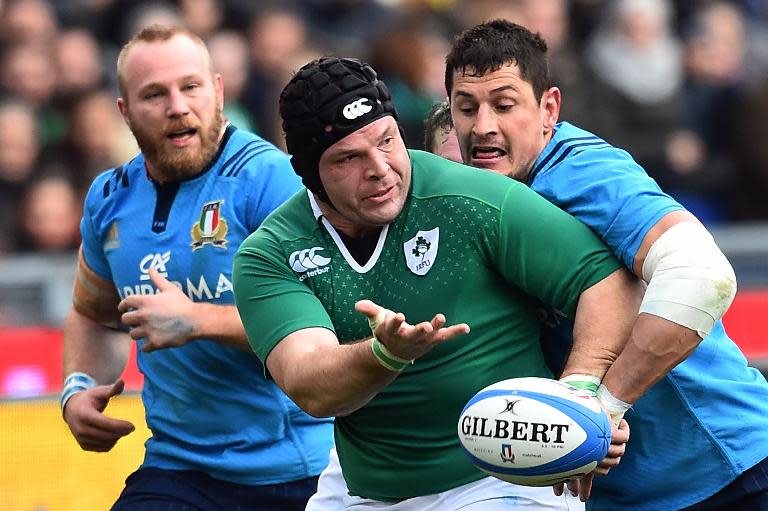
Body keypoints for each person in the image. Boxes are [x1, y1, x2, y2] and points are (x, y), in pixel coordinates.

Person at [233, 56, 644, 511]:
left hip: (504, 480)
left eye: (387, 141)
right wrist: (385, 354)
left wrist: (580, 394)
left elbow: (606, 279)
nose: (380, 168)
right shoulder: (270, 253)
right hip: (367, 491)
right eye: (349, 158)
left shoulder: (471, 198)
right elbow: (311, 385)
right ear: (311, 174)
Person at [444, 19, 768, 511]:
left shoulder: (579, 171)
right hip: (621, 495)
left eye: (504, 105)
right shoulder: (475, 200)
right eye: (466, 108)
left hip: (725, 470)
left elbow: (702, 277)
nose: (483, 126)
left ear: (548, 107)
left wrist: (601, 409)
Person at [60, 25, 334, 510]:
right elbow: (92, 313)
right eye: (154, 94)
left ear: (218, 90)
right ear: (125, 112)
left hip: (299, 467)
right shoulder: (109, 198)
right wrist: (78, 388)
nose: (178, 106)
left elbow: (330, 319)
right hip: (180, 466)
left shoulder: (268, 178)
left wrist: (198, 320)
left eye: (190, 86)